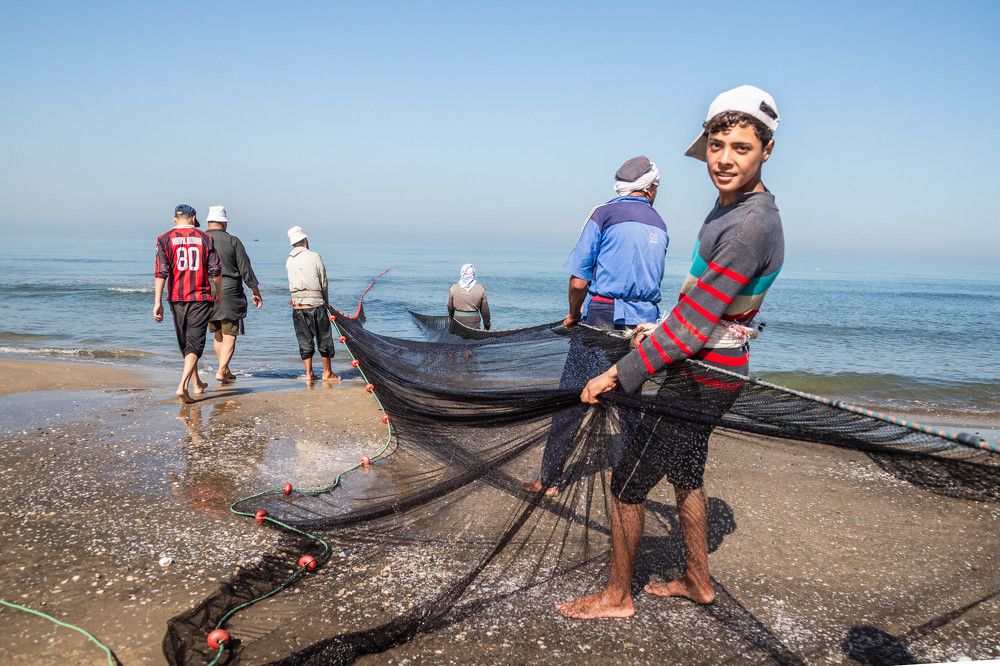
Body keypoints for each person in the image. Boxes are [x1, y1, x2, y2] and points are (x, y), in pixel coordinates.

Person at [557, 85, 785, 619]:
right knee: (687, 474)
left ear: (767, 150)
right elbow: (698, 309)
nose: (725, 159)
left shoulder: (750, 225)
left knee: (628, 482)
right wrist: (657, 331)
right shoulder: (731, 208)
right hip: (712, 366)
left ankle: (617, 596)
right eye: (717, 145)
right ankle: (698, 581)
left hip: (705, 374)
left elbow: (695, 324)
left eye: (742, 148)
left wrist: (617, 374)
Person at [522, 155, 668, 495]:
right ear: (649, 188)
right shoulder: (661, 224)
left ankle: (550, 479)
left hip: (602, 318)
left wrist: (573, 314)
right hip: (643, 327)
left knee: (572, 397)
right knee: (629, 400)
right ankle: (628, 477)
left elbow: (579, 281)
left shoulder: (603, 214)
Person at [153, 204, 222, 403]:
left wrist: (157, 301)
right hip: (200, 296)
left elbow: (161, 272)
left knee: (186, 343)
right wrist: (218, 292)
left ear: (174, 219)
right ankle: (183, 386)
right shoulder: (205, 238)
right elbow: (215, 270)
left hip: (176, 298)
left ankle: (197, 383)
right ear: (193, 218)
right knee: (194, 344)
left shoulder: (164, 239)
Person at [205, 206, 263, 384]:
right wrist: (255, 291)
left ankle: (225, 369)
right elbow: (245, 268)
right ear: (224, 223)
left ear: (209, 222)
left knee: (217, 333)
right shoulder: (233, 241)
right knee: (230, 333)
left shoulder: (201, 239)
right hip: (229, 292)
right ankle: (221, 370)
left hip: (207, 291)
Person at [285, 225, 339, 382]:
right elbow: (323, 281)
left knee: (304, 339)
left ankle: (309, 374)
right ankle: (327, 373)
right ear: (305, 240)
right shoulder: (314, 256)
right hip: (315, 305)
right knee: (324, 338)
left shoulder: (289, 260)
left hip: (297, 306)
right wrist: (326, 302)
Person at [447, 264, 491, 330]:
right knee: (474, 335)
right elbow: (485, 311)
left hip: (458, 321)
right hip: (474, 323)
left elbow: (450, 308)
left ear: (462, 273)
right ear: (473, 274)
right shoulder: (481, 289)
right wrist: (487, 325)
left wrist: (452, 319)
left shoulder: (453, 288)